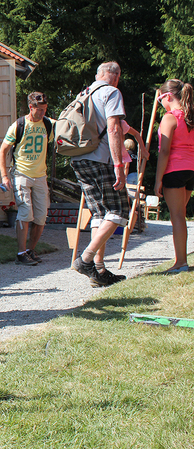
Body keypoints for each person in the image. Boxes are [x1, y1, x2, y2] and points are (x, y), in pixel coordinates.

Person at [70, 62, 148, 287]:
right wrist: (118, 165)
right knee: (118, 210)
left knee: (99, 213)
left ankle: (99, 269)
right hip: (99, 159)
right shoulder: (111, 92)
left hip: (79, 158)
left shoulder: (84, 93)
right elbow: (114, 129)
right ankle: (86, 260)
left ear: (98, 75)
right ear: (117, 77)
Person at [0, 92, 54, 266]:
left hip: (40, 176)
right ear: (31, 107)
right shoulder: (19, 125)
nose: (43, 113)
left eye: (45, 109)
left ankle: (30, 250)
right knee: (25, 211)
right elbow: (3, 151)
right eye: (40, 110)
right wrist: (5, 176)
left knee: (41, 216)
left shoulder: (48, 124)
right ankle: (20, 253)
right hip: (21, 174)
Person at [154, 79, 194, 273]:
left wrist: (157, 180)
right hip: (191, 170)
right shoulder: (190, 117)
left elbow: (164, 152)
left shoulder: (170, 118)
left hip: (175, 170)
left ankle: (181, 263)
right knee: (181, 214)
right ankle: (181, 260)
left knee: (177, 216)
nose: (160, 103)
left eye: (160, 99)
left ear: (167, 96)